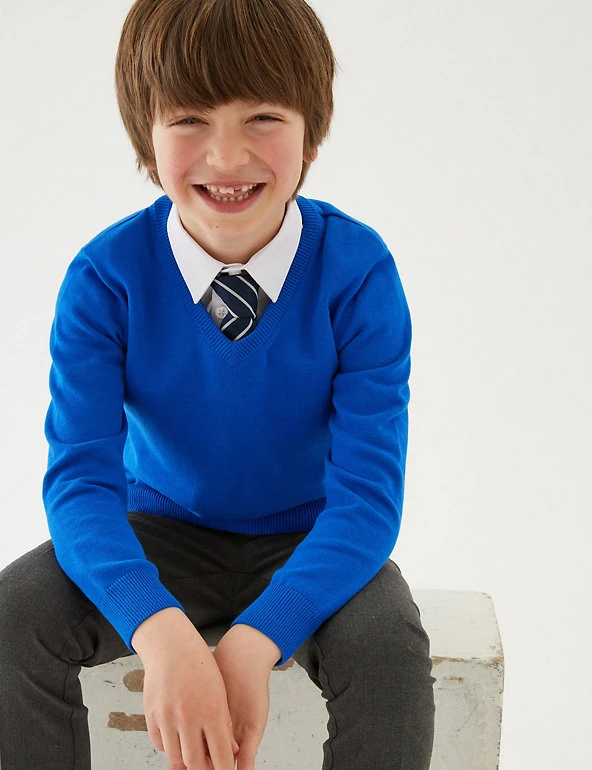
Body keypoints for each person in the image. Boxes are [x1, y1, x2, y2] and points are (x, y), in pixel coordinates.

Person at [0, 0, 435, 768]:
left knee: (390, 652)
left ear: (312, 130)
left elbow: (368, 498)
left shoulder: (359, 274)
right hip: (159, 530)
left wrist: (258, 636)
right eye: (189, 120)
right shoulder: (104, 279)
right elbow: (79, 484)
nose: (227, 156)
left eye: (262, 117)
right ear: (146, 135)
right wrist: (161, 633)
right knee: (12, 619)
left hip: (312, 539)